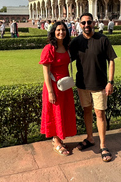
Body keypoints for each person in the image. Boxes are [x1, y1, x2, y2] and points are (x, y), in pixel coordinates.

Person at [70, 12, 117, 163]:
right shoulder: (76, 42)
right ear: (79, 24)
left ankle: (103, 145)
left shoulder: (102, 39)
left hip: (99, 84)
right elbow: (65, 59)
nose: (86, 25)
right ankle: (90, 138)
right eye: (83, 23)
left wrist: (110, 82)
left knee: (100, 113)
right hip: (83, 84)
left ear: (94, 23)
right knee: (87, 110)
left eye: (89, 22)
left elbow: (111, 61)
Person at [39, 21, 77, 156]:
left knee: (63, 111)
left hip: (65, 85)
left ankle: (59, 138)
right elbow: (46, 72)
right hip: (53, 85)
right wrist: (50, 91)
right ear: (53, 32)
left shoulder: (66, 47)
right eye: (58, 30)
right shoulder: (49, 48)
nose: (61, 32)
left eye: (63, 30)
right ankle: (56, 141)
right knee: (55, 112)